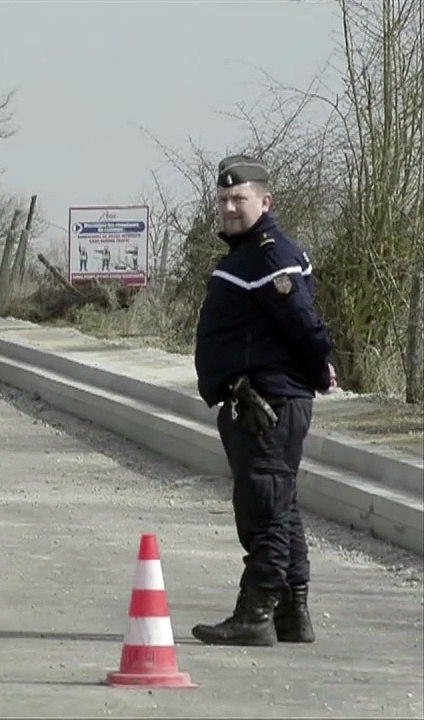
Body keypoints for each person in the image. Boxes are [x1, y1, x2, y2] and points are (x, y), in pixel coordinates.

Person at [191, 154, 336, 647]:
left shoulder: (271, 255)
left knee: (264, 508)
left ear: (265, 201)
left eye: (240, 199)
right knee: (281, 505)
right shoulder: (250, 254)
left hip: (267, 403)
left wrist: (319, 370)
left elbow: (304, 324)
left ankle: (255, 612)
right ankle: (292, 614)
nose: (230, 208)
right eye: (223, 200)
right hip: (259, 400)